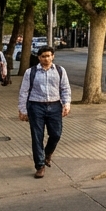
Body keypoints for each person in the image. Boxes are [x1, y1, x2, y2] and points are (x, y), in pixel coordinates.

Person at [18, 47, 70, 178]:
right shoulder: (31, 72)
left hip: (55, 106)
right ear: (39, 58)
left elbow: (65, 88)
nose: (46, 59)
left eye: (48, 56)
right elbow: (24, 91)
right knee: (37, 136)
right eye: (43, 56)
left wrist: (67, 104)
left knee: (56, 134)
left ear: (53, 56)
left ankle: (48, 153)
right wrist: (23, 109)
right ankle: (40, 165)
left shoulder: (60, 70)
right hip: (36, 106)